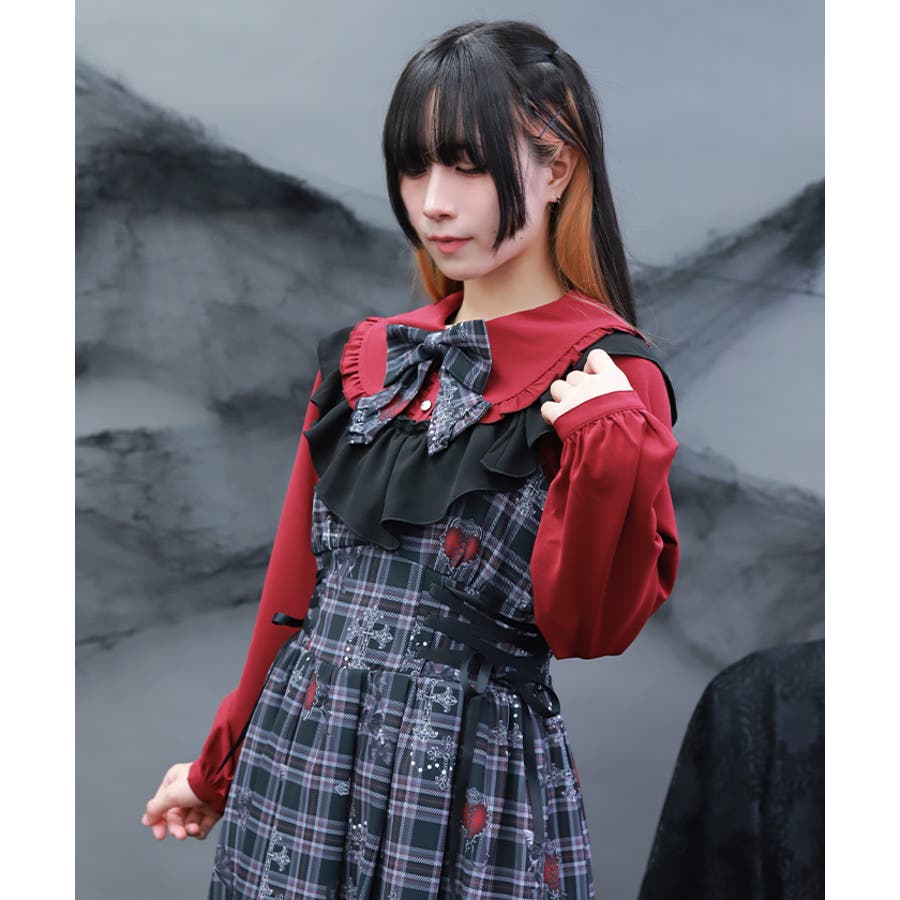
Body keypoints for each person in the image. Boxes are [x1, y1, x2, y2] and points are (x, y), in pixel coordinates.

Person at [141, 19, 680, 899]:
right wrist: (216, 769)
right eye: (414, 167)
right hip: (298, 763)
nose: (432, 203)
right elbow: (294, 595)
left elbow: (589, 629)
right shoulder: (370, 358)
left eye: (467, 166)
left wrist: (608, 446)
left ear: (556, 167)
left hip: (462, 783)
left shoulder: (609, 383)